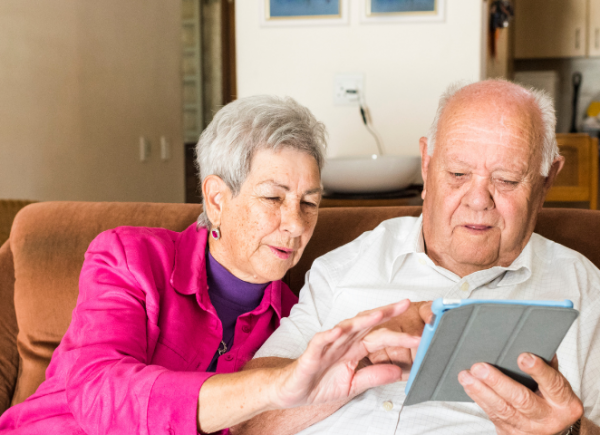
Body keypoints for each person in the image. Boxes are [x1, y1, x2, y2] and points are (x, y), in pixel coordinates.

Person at [0, 95, 421, 434]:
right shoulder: (129, 257)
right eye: (273, 198)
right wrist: (274, 385)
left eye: (309, 203)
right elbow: (102, 394)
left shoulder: (297, 320)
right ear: (217, 199)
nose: (295, 225)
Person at [235, 80, 600, 435]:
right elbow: (246, 423)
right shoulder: (344, 268)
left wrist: (569, 432)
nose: (478, 199)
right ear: (427, 164)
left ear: (547, 180)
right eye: (458, 174)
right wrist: (358, 358)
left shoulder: (585, 289)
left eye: (506, 180)